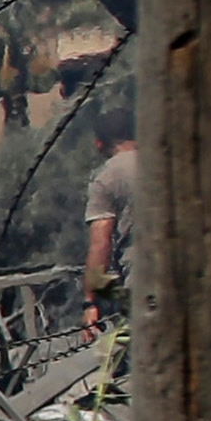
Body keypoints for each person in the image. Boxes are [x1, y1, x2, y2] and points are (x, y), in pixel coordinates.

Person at [82, 126, 138, 329]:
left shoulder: (106, 178)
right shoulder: (169, 160)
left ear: (99, 143)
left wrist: (90, 300)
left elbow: (100, 245)